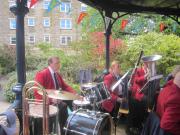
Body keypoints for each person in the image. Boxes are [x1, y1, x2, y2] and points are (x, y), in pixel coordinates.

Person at [34, 56, 77, 135]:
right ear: (50, 64)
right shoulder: (42, 74)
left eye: (59, 63)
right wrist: (51, 100)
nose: (59, 65)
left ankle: (69, 127)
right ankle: (56, 130)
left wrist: (75, 93)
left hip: (58, 100)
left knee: (74, 102)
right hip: (46, 103)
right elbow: (37, 92)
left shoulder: (57, 74)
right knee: (63, 107)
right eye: (56, 63)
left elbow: (65, 86)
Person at [126, 63, 149, 135]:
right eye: (146, 64)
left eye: (148, 65)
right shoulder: (138, 70)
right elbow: (136, 80)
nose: (147, 66)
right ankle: (129, 129)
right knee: (133, 113)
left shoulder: (148, 72)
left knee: (140, 113)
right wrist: (145, 76)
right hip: (136, 94)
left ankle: (138, 127)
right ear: (143, 65)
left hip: (142, 94)